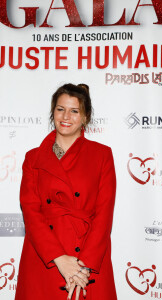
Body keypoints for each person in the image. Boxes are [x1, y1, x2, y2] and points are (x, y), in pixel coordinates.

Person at [15, 83, 117, 300]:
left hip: (86, 260)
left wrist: (83, 267)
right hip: (45, 258)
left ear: (85, 117)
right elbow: (31, 212)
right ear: (53, 112)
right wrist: (59, 259)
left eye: (74, 110)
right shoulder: (33, 158)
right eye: (60, 109)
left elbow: (104, 215)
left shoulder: (102, 155)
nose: (66, 116)